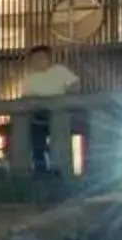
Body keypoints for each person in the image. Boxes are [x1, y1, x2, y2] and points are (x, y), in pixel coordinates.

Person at [18, 45, 80, 176]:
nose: (39, 61)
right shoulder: (28, 80)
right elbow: (26, 99)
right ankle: (39, 169)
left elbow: (75, 85)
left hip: (59, 112)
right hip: (37, 114)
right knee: (36, 140)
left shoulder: (60, 71)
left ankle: (59, 169)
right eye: (35, 59)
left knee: (59, 138)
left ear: (49, 59)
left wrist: (65, 99)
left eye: (42, 58)